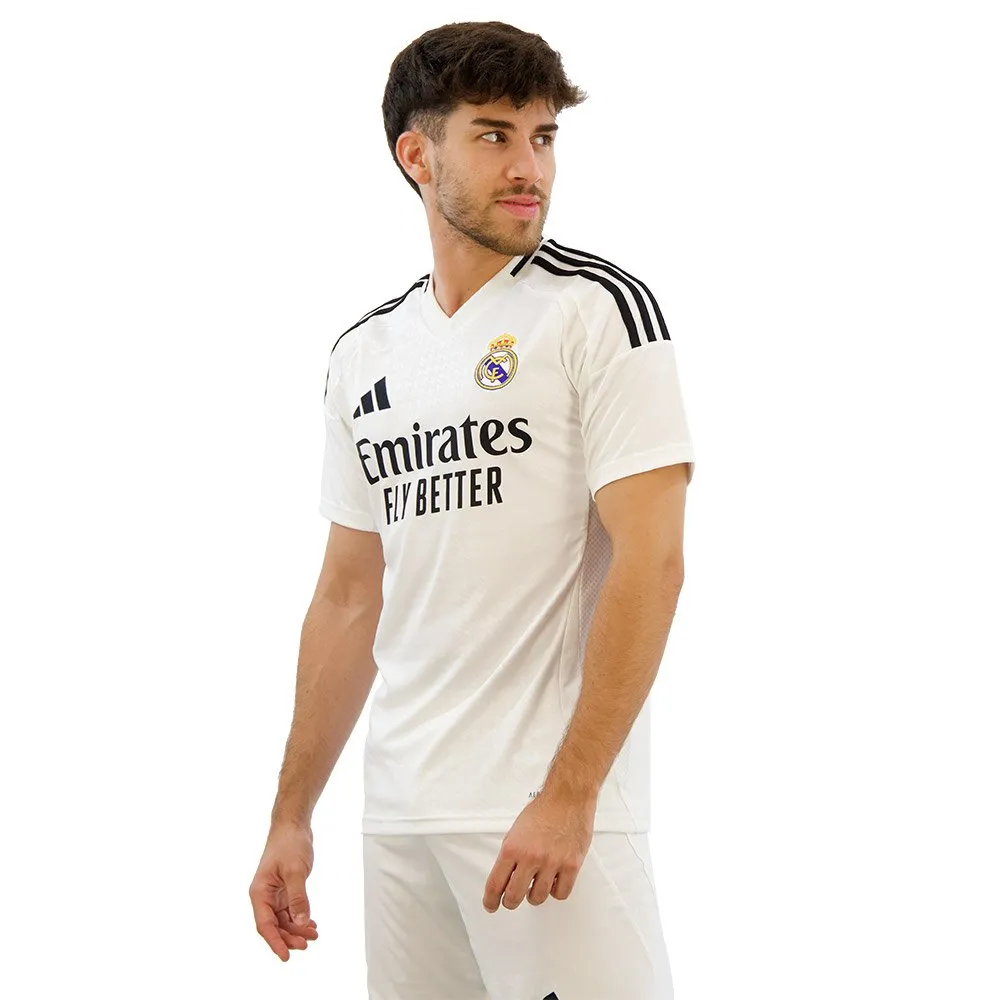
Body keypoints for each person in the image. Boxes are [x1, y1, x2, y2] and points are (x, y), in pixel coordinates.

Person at [249, 20, 696, 1000]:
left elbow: (652, 560)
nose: (529, 166)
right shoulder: (363, 354)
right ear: (417, 155)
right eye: (495, 135)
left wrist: (570, 792)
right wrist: (291, 814)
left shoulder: (598, 309)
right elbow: (348, 595)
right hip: (401, 818)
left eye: (543, 136)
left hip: (546, 816)